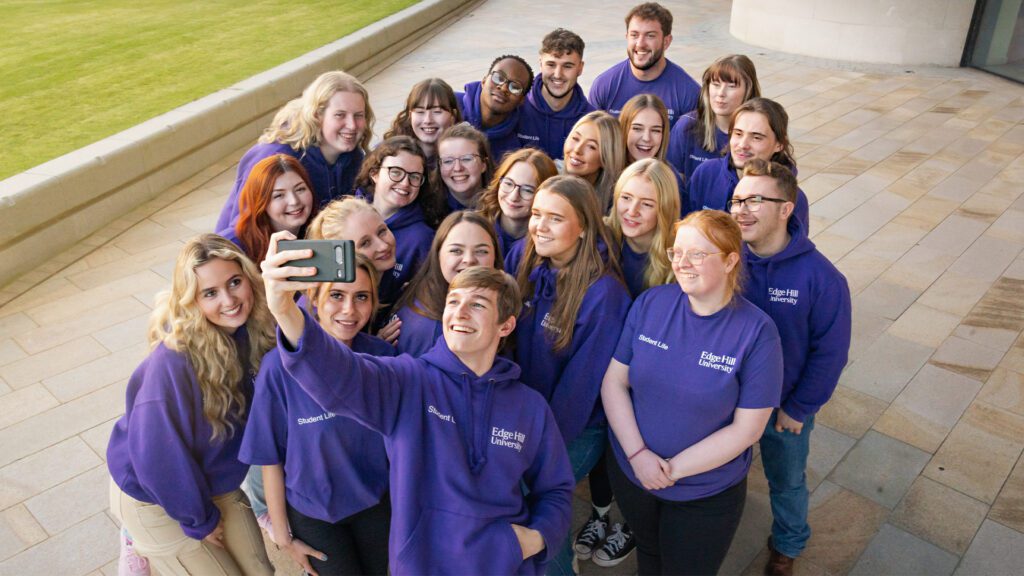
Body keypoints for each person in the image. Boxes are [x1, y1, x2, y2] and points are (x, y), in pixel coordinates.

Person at [261, 240, 576, 574]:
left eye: (478, 304)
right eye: (454, 301)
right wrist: (285, 312)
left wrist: (536, 538)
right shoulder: (408, 381)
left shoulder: (530, 406)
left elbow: (556, 490)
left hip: (505, 565)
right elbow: (343, 374)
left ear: (506, 325)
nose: (460, 312)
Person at [602, 210, 783, 575]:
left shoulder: (758, 333)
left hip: (705, 494)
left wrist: (670, 471)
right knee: (649, 557)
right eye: (676, 252)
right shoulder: (651, 304)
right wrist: (638, 456)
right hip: (633, 474)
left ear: (731, 260)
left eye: (698, 254)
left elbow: (747, 430)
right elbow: (614, 383)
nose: (682, 263)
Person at [106, 234, 276, 576]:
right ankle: (138, 542)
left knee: (260, 571)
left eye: (234, 282)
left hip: (214, 479)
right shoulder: (173, 362)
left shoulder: (254, 333)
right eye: (210, 293)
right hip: (158, 496)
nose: (229, 300)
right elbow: (157, 457)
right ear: (192, 300)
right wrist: (198, 519)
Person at [727, 159, 851, 576]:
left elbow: (829, 355)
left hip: (784, 409)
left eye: (755, 200)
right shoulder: (727, 260)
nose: (741, 209)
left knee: (787, 481)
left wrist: (799, 409)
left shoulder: (822, 279)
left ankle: (788, 542)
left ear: (786, 209)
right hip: (726, 402)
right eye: (737, 200)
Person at [240, 255, 395, 576]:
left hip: (375, 502)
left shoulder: (382, 357)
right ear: (313, 298)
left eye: (361, 297)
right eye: (336, 295)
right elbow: (270, 457)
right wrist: (282, 534)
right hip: (315, 511)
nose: (349, 310)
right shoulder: (277, 368)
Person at [510, 175, 632, 575]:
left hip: (576, 427)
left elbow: (579, 392)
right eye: (536, 215)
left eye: (554, 219)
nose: (539, 226)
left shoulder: (604, 295)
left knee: (537, 498)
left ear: (583, 228)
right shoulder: (521, 258)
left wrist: (535, 454)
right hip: (522, 415)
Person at [573, 158, 679, 568]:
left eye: (646, 204)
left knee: (636, 449)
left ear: (665, 210)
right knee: (601, 448)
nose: (631, 211)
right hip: (601, 363)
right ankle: (600, 516)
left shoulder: (672, 260)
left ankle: (632, 525)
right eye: (626, 199)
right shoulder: (600, 239)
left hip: (648, 376)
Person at [217, 71, 372, 230]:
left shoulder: (354, 157)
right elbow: (240, 231)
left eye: (359, 115)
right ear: (316, 116)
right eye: (340, 115)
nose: (352, 125)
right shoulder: (274, 157)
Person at [381, 211, 502, 357]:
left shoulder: (424, 289)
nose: (469, 260)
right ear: (438, 254)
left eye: (481, 251)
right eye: (456, 250)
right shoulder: (435, 329)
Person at [688, 98, 809, 227]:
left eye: (756, 137)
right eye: (738, 134)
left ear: (779, 144)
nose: (743, 145)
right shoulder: (706, 174)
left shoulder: (793, 199)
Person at [354, 136, 441, 308]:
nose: (405, 183)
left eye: (415, 177)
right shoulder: (349, 214)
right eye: (395, 172)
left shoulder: (422, 238)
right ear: (375, 173)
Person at [588, 2, 699, 127]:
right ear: (627, 37)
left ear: (666, 42)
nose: (640, 43)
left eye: (650, 36)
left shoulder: (689, 93)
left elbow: (692, 145)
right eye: (634, 35)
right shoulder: (604, 86)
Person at [667, 54, 761, 185]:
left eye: (731, 86)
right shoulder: (686, 126)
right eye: (716, 84)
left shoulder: (761, 133)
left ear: (748, 91)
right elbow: (671, 185)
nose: (721, 93)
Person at [304, 197, 399, 309]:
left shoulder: (391, 278)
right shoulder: (323, 306)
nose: (383, 246)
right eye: (365, 243)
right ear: (340, 255)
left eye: (382, 231)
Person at [221, 154, 315, 265]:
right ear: (260, 202)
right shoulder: (233, 246)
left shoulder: (318, 229)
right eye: (279, 195)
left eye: (300, 189)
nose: (294, 201)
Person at [517, 28, 595, 161]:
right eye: (551, 65)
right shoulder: (517, 107)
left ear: (580, 68)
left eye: (567, 66)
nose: (558, 74)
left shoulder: (590, 120)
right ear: (540, 64)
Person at [479, 148, 559, 257]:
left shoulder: (550, 244)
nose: (513, 197)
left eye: (527, 190)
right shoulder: (476, 227)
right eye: (508, 183)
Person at [458, 55, 534, 161]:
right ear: (484, 80)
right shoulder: (448, 105)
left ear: (521, 100)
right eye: (498, 78)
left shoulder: (511, 151)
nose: (503, 88)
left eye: (515, 87)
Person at [384, 78, 463, 168]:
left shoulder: (463, 156)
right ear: (410, 115)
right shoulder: (388, 154)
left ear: (453, 115)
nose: (428, 120)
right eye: (420, 112)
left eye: (437, 112)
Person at [563, 111, 626, 210]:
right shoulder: (549, 176)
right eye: (575, 138)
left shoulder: (616, 204)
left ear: (606, 158)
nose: (577, 150)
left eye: (591, 146)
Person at [437, 123, 496, 212]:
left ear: (484, 164)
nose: (457, 168)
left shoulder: (501, 206)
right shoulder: (428, 210)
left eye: (466, 159)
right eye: (448, 161)